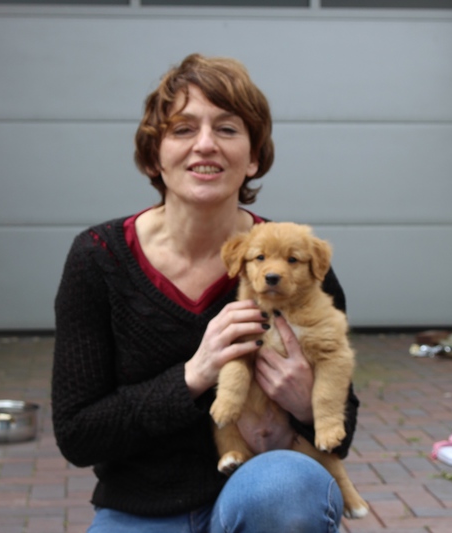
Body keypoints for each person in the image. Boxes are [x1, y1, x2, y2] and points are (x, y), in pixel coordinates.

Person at [51, 53, 360, 533]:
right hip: (142, 508)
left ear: (253, 157)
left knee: (287, 489)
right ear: (153, 155)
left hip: (259, 496)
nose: (205, 144)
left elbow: (342, 423)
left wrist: (303, 402)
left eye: (227, 129)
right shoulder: (99, 258)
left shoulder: (295, 261)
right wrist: (194, 375)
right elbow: (78, 435)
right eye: (183, 129)